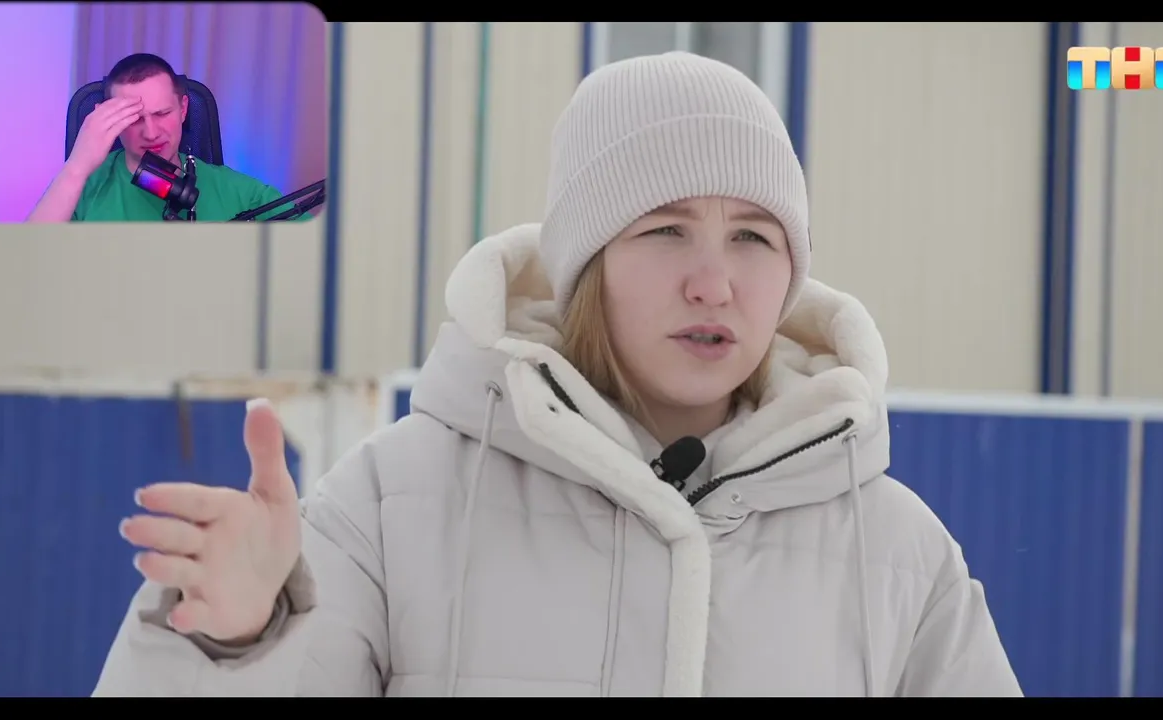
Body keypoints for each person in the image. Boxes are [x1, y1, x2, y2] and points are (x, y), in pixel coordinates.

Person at [93, 51, 1022, 697]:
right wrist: (235, 642)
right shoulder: (395, 507)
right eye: (665, 229)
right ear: (585, 265)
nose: (714, 281)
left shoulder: (896, 555)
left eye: (753, 236)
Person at [27, 53, 304, 223]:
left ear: (183, 109)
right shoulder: (82, 189)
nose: (151, 133)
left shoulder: (237, 192)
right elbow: (27, 264)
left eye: (162, 113)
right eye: (134, 118)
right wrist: (76, 167)